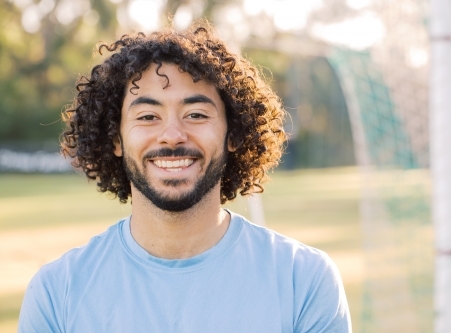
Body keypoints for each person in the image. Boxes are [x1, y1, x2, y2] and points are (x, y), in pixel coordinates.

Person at [18, 22, 351, 333]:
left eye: (196, 114)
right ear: (116, 139)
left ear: (232, 133)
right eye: (148, 116)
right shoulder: (56, 293)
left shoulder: (303, 280)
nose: (172, 135)